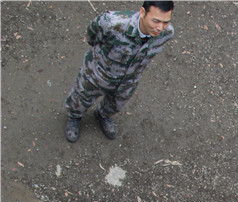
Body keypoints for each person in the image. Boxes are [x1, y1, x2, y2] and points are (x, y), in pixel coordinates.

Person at [64, 1, 175, 142]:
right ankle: (74, 117)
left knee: (115, 105)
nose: (160, 28)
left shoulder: (167, 33)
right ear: (142, 12)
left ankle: (102, 115)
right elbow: (92, 36)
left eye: (165, 22)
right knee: (81, 98)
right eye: (156, 21)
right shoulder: (112, 23)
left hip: (128, 81)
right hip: (98, 74)